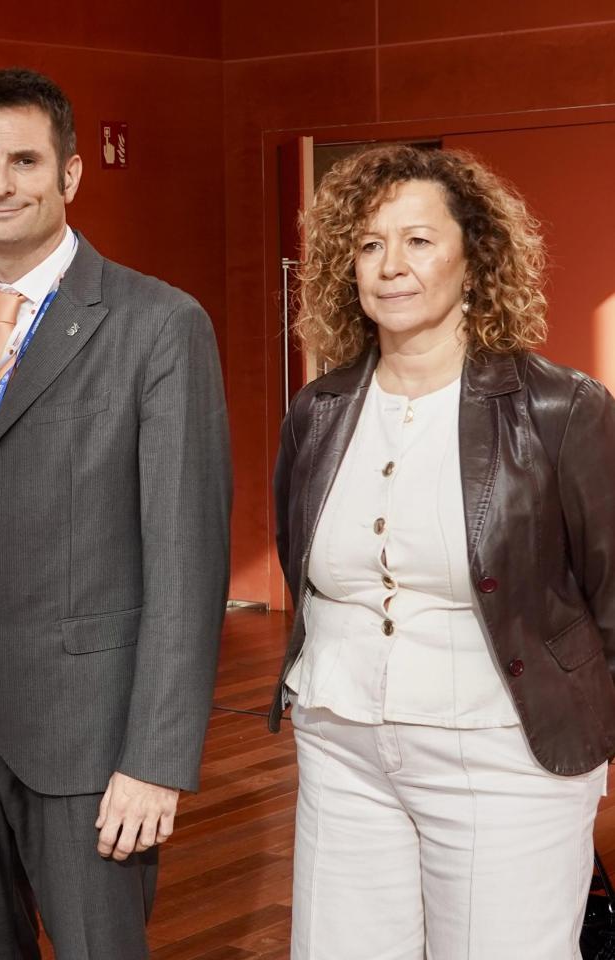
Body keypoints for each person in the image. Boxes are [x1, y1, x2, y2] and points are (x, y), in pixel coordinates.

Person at [0, 68, 231, 960]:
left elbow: (186, 562)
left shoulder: (158, 324)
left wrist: (156, 757)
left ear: (70, 175)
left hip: (91, 742)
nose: (2, 182)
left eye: (26, 160)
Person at [271, 143, 615, 958]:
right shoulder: (317, 411)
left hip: (503, 755)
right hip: (341, 746)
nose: (391, 266)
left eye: (418, 241)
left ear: (475, 258)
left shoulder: (562, 409)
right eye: (368, 244)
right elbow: (301, 564)